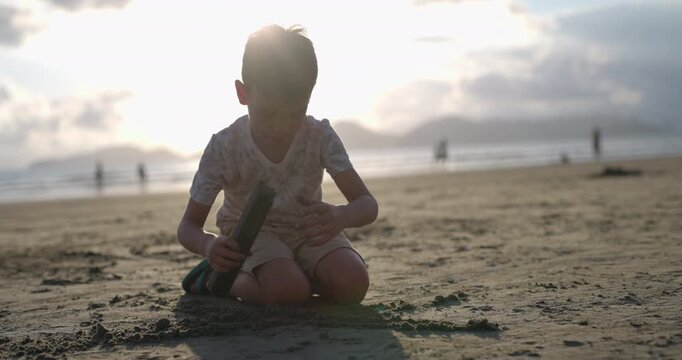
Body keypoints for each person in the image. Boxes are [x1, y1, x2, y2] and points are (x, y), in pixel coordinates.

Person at [176, 25, 378, 306]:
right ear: (242, 93)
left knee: (354, 283)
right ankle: (218, 279)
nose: (282, 128)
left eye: (296, 114)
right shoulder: (225, 147)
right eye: (268, 114)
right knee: (289, 292)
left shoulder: (319, 136)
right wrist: (209, 245)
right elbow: (188, 226)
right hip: (252, 239)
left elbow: (367, 204)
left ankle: (294, 282)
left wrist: (342, 216)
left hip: (309, 232)